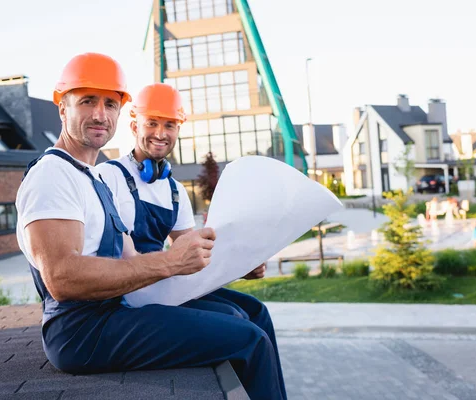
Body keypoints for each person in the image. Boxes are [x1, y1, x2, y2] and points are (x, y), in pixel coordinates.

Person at [15, 54, 286, 400]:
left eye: (110, 103)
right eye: (87, 101)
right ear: (62, 107)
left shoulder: (91, 179)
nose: (100, 113)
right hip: (81, 332)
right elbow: (62, 278)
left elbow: (128, 255)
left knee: (248, 319)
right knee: (250, 341)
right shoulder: (53, 174)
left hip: (112, 312)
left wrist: (234, 262)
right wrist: (170, 261)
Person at [96, 82, 286, 398]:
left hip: (163, 288)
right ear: (134, 125)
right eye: (152, 123)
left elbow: (198, 256)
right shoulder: (110, 177)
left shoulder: (174, 191)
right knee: (235, 319)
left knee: (256, 311)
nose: (161, 133)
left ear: (179, 128)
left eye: (169, 124)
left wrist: (242, 265)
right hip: (130, 296)